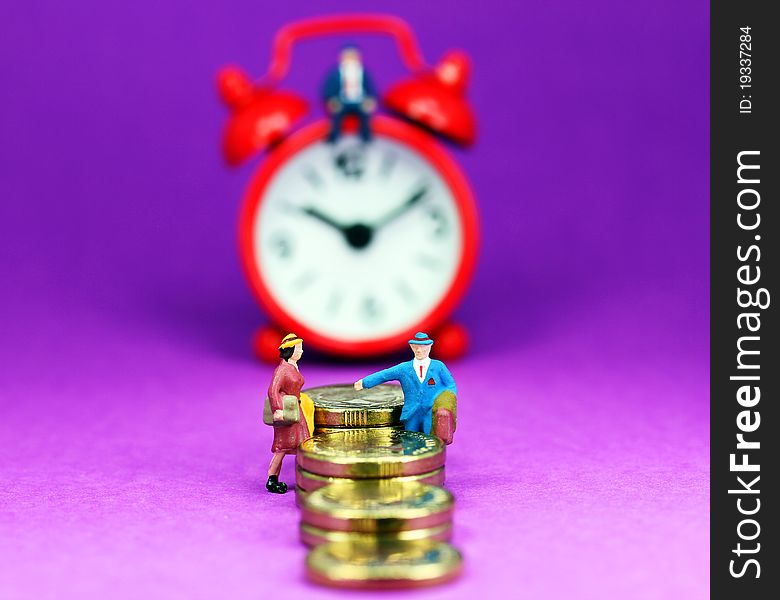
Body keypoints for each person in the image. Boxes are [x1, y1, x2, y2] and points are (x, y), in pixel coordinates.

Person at [354, 332, 458, 443]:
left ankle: (429, 458)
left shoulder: (438, 367)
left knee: (430, 439)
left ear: (429, 347)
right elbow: (384, 375)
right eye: (416, 347)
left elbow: (450, 385)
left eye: (423, 347)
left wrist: (447, 401)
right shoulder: (404, 368)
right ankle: (410, 458)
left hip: (430, 411)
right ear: (412, 347)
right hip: (411, 412)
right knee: (409, 439)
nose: (419, 350)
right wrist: (365, 382)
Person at [265, 333, 313, 493]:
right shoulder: (282, 369)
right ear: (290, 350)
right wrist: (278, 410)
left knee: (301, 444)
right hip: (286, 413)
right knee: (282, 447)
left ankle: (304, 478)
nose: (301, 352)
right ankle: (272, 479)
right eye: (299, 349)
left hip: (296, 410)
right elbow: (273, 390)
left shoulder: (293, 367)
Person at [322, 45, 377, 143]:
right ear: (342, 57)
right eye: (348, 56)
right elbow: (328, 89)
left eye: (353, 56)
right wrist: (331, 101)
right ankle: (334, 138)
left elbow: (371, 88)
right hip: (342, 102)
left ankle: (366, 138)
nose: (350, 59)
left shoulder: (363, 72)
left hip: (359, 101)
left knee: (365, 115)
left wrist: (370, 100)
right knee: (336, 116)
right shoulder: (335, 74)